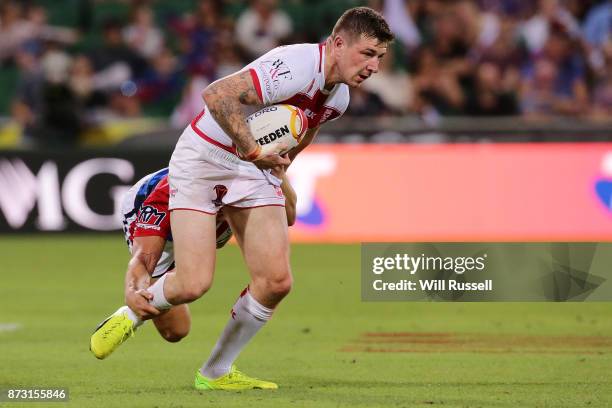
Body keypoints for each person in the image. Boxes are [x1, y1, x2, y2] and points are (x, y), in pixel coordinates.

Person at [97, 6, 393, 391]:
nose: (373, 66)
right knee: (192, 283)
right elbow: (216, 95)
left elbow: (298, 136)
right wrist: (255, 152)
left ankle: (216, 372)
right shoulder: (296, 65)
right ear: (338, 43)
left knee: (276, 281)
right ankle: (130, 311)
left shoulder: (338, 99)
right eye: (367, 53)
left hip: (252, 165)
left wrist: (280, 178)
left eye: (380, 58)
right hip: (203, 158)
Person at [90, 167, 296, 359]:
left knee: (179, 329)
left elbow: (289, 215)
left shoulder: (251, 176)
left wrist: (276, 174)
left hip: (208, 213)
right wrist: (134, 289)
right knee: (174, 330)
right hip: (152, 211)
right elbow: (143, 257)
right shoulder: (170, 195)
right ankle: (131, 314)